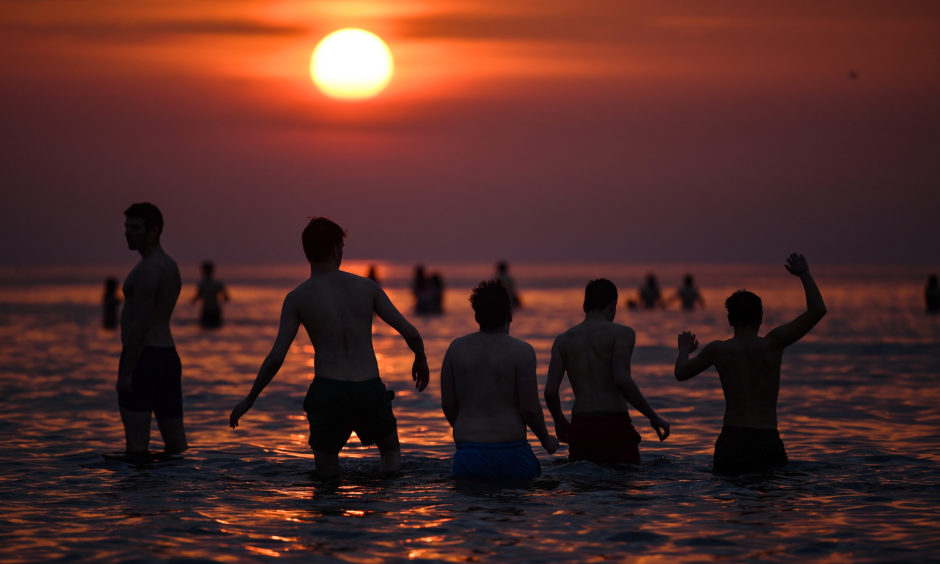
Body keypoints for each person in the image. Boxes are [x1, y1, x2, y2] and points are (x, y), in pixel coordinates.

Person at [230, 217, 429, 477]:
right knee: (390, 454)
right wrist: (420, 359)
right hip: (367, 388)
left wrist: (250, 399)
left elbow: (276, 357)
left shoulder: (297, 298)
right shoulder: (367, 288)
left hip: (328, 391)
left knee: (326, 475)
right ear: (336, 249)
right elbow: (411, 333)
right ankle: (383, 514)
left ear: (306, 252)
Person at [674, 253, 826, 475]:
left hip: (732, 440)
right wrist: (804, 274)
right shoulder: (773, 344)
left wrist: (683, 350)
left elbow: (681, 373)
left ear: (729, 320)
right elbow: (818, 310)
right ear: (761, 318)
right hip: (766, 439)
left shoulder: (719, 350)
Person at [544, 279, 670, 465]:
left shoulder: (563, 340)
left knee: (583, 487)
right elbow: (621, 379)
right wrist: (653, 416)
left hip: (581, 426)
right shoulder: (622, 334)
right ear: (613, 305)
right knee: (622, 483)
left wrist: (560, 422)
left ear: (584, 305)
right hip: (614, 424)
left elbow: (550, 392)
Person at [441, 280, 558, 480]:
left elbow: (449, 406)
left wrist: (473, 433)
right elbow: (529, 409)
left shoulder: (456, 349)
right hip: (512, 454)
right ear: (510, 313)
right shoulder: (522, 351)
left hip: (468, 456)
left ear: (476, 316)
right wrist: (546, 440)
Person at [118, 202, 187, 456]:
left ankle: (139, 496)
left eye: (135, 227)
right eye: (126, 226)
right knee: (176, 445)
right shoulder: (170, 265)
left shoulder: (148, 269)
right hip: (168, 357)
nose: (127, 232)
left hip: (143, 358)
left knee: (136, 447)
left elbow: (142, 324)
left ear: (154, 231)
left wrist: (126, 372)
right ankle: (175, 493)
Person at [192, 260, 229, 329]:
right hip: (206, 311)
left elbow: (226, 297)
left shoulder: (216, 284)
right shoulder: (202, 284)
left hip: (215, 311)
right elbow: (197, 296)